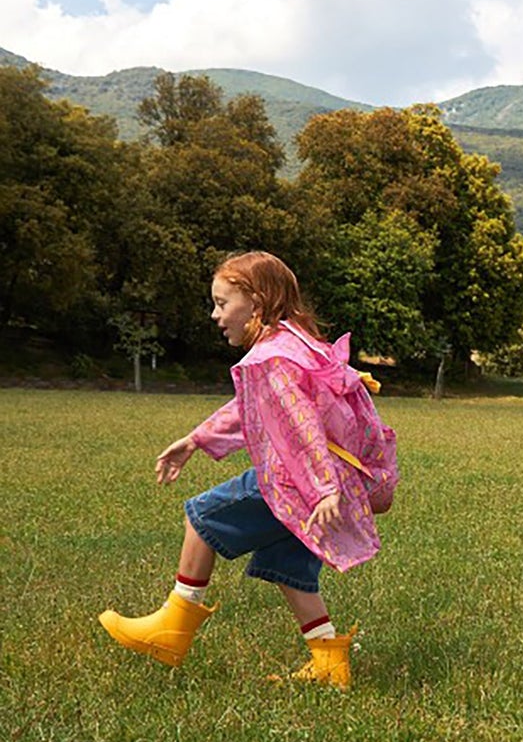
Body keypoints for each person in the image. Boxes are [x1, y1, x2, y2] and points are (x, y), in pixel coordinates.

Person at [99, 252, 398, 689]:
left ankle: (172, 628)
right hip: (331, 483)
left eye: (222, 303)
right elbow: (253, 409)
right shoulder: (297, 343)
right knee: (287, 563)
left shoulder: (272, 357)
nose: (215, 314)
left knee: (202, 517)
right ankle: (329, 663)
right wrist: (196, 439)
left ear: (256, 302)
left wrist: (323, 489)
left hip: (301, 482)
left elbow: (301, 426)